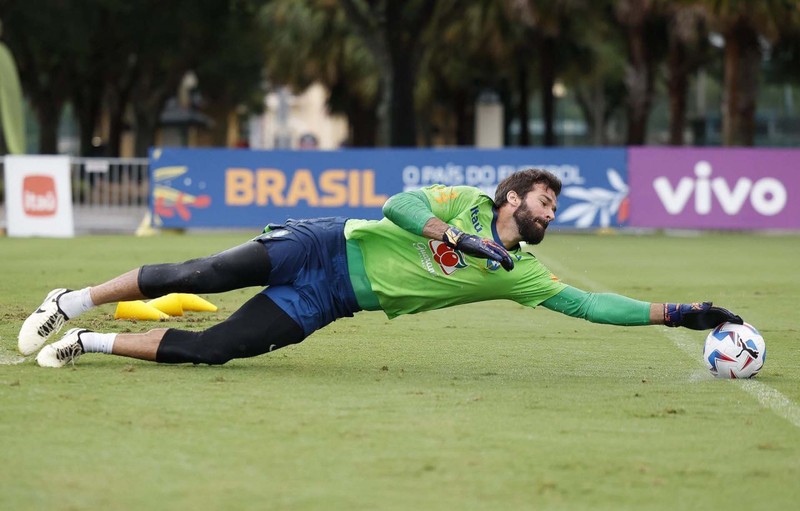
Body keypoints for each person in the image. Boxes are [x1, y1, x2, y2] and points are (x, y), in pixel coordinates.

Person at [18, 168, 743, 368]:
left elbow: (588, 305)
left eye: (557, 206)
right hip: (324, 243)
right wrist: (460, 239)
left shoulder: (518, 274)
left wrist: (679, 313)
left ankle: (88, 341)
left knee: (214, 348)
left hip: (335, 300)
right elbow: (396, 203)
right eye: (544, 199)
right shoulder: (464, 201)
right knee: (201, 271)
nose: (551, 211)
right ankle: (74, 299)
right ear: (513, 196)